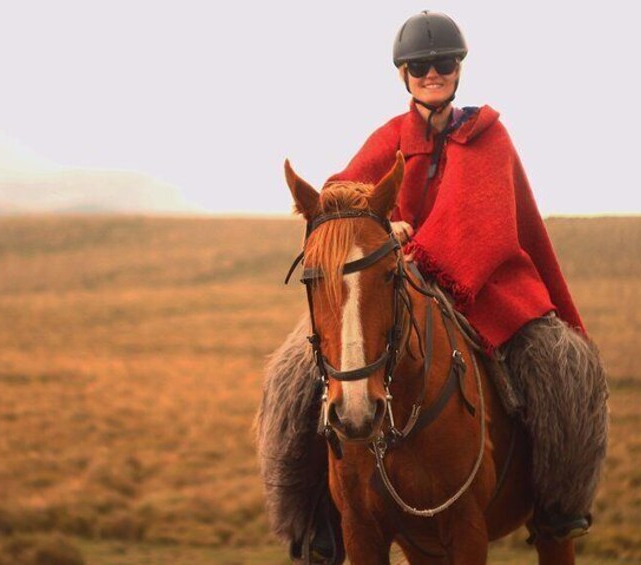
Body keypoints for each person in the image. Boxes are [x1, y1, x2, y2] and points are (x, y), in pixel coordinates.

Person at [256, 10, 609, 564]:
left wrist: (414, 247)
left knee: (560, 365)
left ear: (458, 67)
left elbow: (487, 228)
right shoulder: (390, 136)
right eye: (419, 65)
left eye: (442, 63)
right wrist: (373, 232)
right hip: (386, 282)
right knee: (296, 376)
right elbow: (339, 197)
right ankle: (313, 522)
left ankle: (558, 504)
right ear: (403, 74)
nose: (432, 73)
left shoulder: (490, 137)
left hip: (486, 289)